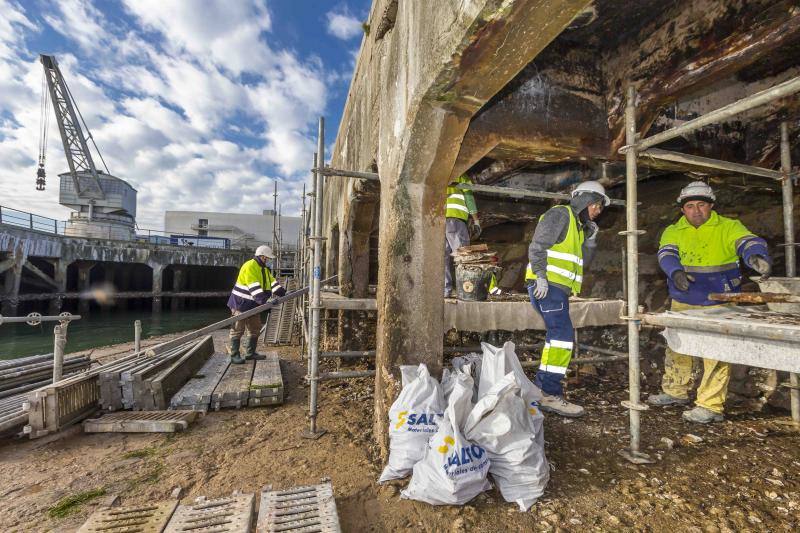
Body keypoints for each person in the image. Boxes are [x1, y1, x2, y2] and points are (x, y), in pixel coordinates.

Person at [647, 181, 771, 423]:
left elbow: (748, 242)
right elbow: (667, 254)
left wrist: (756, 255)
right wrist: (676, 273)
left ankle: (710, 406)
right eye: (690, 206)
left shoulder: (728, 227)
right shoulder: (673, 231)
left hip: (719, 302)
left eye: (701, 205)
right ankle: (675, 391)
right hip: (683, 299)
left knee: (716, 354)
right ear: (683, 209)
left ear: (711, 206)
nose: (696, 211)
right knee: (677, 348)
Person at [526, 181, 609, 417]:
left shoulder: (577, 226)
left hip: (556, 288)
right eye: (596, 205)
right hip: (547, 286)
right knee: (562, 337)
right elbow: (538, 245)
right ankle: (549, 393)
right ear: (585, 200)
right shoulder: (560, 214)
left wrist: (590, 240)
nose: (598, 212)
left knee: (556, 338)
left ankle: (543, 390)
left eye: (600, 208)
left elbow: (580, 263)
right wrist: (540, 276)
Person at [226, 245, 286, 364]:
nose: (268, 261)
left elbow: (272, 283)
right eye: (268, 258)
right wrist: (265, 300)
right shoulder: (250, 266)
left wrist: (283, 293)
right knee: (237, 329)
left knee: (255, 328)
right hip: (240, 304)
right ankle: (234, 355)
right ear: (263, 257)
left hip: (253, 305)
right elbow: (254, 287)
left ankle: (250, 353)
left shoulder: (263, 269)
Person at [445, 174, 481, 297]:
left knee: (443, 258)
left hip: (439, 221)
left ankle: (446, 290)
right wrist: (476, 221)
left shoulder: (441, 174)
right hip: (456, 219)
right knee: (463, 255)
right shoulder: (462, 177)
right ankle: (465, 291)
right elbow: (469, 199)